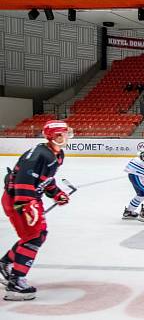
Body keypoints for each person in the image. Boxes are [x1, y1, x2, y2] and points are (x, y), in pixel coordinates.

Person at [1, 120, 73, 301]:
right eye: (62, 133)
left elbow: (46, 179)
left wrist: (56, 193)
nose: (66, 136)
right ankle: (16, 283)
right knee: (34, 237)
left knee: (36, 235)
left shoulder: (56, 154)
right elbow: (22, 182)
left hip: (31, 199)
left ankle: (5, 264)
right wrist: (27, 204)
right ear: (54, 136)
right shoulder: (37, 156)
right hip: (19, 200)